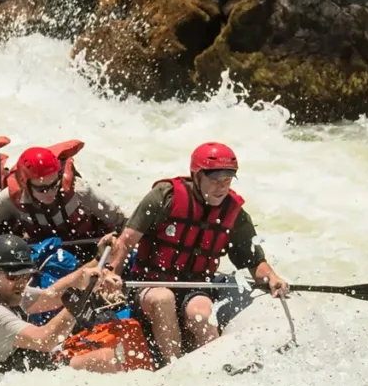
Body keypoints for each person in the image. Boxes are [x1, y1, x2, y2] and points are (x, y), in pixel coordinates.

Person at [107, 142, 289, 366]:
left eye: (227, 180)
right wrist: (111, 272)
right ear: (197, 175)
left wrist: (272, 277)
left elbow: (254, 262)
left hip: (195, 285)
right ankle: (171, 366)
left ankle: (215, 369)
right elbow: (126, 241)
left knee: (201, 313)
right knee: (163, 298)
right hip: (150, 284)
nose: (221, 187)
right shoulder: (164, 197)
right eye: (215, 180)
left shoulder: (234, 213)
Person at [0, 235, 127, 373]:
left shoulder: (4, 293)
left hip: (15, 377)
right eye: (13, 276)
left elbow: (53, 295)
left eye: (25, 275)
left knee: (111, 354)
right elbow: (45, 340)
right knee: (107, 360)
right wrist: (86, 294)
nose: (21, 282)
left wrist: (97, 260)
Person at [0, 141, 126, 245]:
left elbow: (123, 222)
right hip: (44, 255)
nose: (51, 192)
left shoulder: (80, 191)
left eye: (55, 184)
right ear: (25, 184)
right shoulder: (11, 197)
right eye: (42, 189)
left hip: (91, 249)